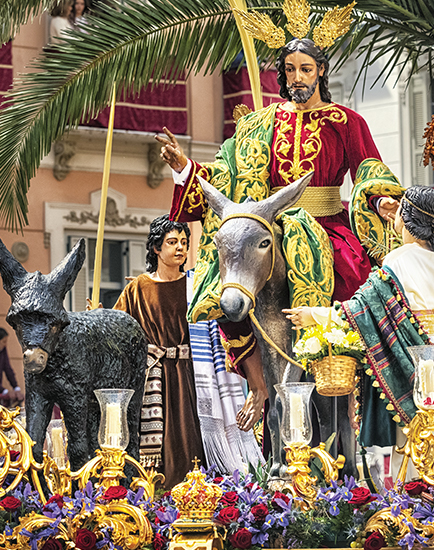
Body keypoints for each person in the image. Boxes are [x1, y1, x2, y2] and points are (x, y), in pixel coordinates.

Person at [157, 37, 403, 430]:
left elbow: (369, 170)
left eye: (306, 69)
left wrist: (381, 202)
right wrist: (185, 168)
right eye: (290, 70)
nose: (298, 77)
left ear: (320, 70)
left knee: (354, 287)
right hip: (268, 225)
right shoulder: (259, 123)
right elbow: (225, 177)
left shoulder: (346, 122)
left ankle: (342, 383)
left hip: (326, 226)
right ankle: (259, 383)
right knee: (231, 292)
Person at [285, 187, 434, 476]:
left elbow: (362, 308)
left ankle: (415, 505)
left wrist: (314, 315)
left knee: (415, 441)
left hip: (419, 355)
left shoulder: (400, 258)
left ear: (406, 219)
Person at [114, 216, 205, 488]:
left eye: (184, 243)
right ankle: (156, 498)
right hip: (153, 377)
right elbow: (119, 329)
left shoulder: (195, 285)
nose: (180, 248)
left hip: (189, 374)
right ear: (156, 248)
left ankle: (194, 493)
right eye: (172, 242)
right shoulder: (137, 288)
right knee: (160, 442)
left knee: (190, 435)